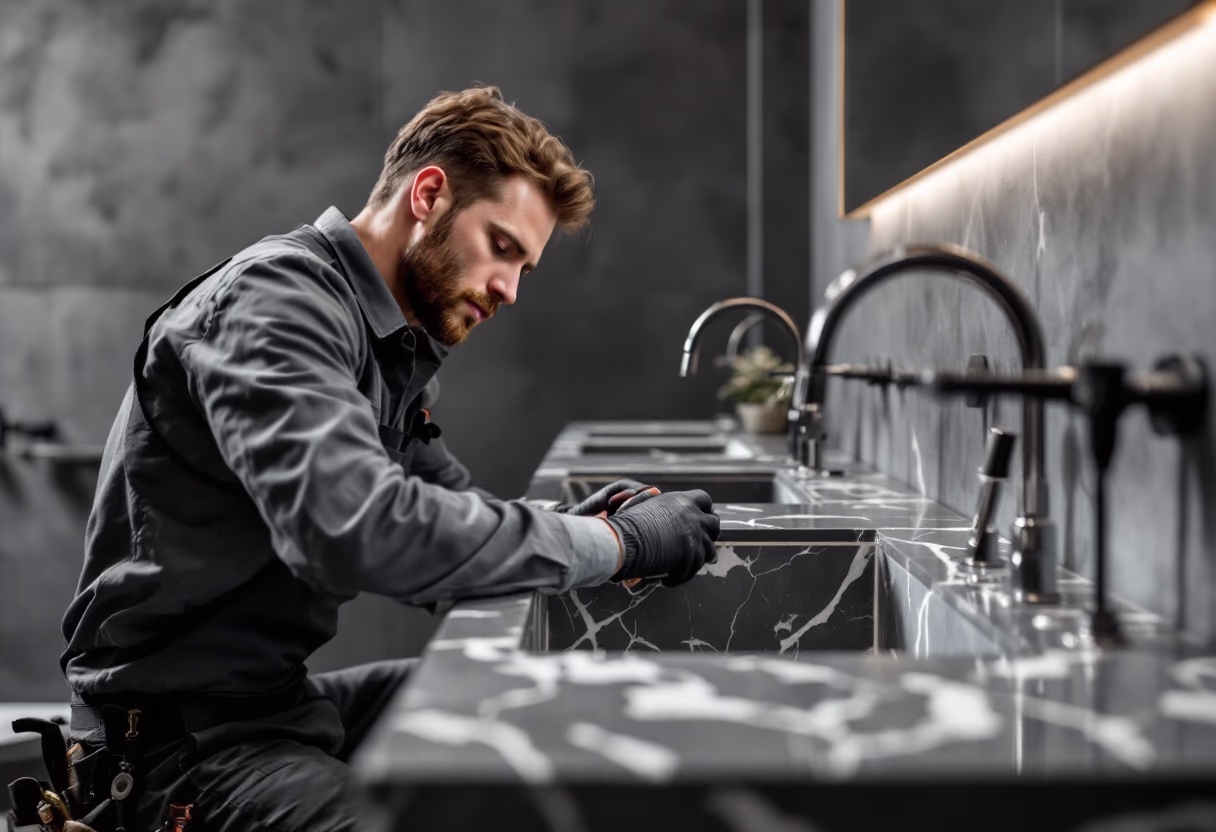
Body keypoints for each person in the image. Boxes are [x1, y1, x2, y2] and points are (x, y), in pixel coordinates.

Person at [57, 86, 720, 831]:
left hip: (275, 703)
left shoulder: (388, 348)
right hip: (173, 751)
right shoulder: (277, 302)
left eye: (524, 269)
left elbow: (445, 516)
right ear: (429, 194)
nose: (507, 288)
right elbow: (356, 530)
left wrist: (579, 523)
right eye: (502, 247)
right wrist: (616, 542)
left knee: (555, 701)